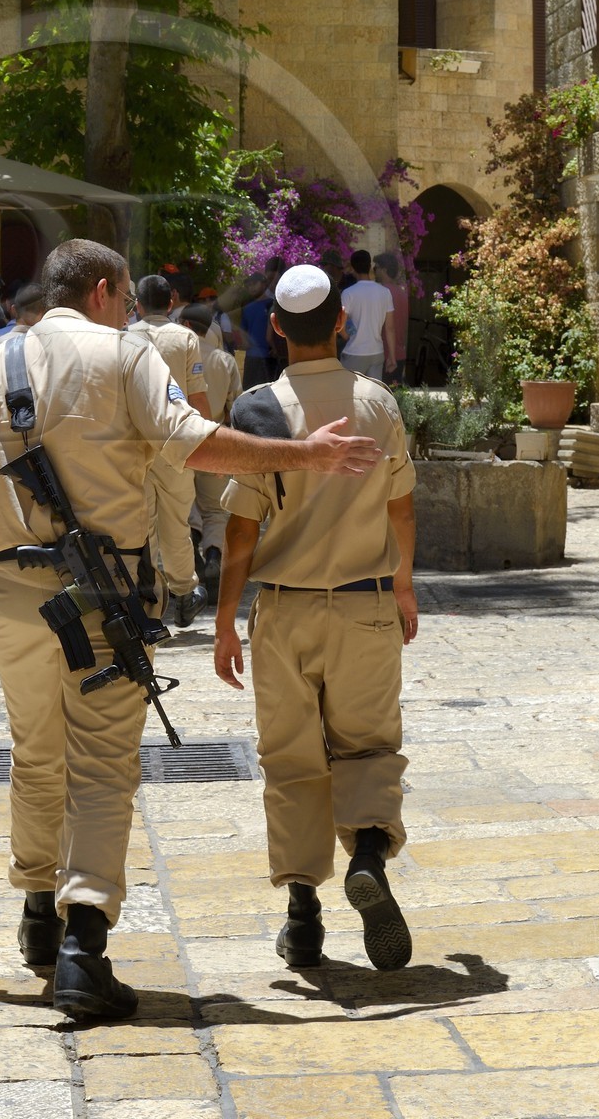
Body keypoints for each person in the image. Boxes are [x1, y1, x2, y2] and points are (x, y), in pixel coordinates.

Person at [0, 238, 382, 1021]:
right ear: (102, 290)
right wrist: (300, 455)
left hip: (11, 596)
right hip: (102, 599)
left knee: (35, 753)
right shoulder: (124, 357)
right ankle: (81, 949)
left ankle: (37, 911)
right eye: (126, 294)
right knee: (100, 767)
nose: (131, 307)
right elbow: (195, 443)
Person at [214, 265, 417, 974]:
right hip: (363, 602)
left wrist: (222, 622)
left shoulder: (257, 410)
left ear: (275, 327)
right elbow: (401, 506)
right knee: (368, 745)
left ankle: (303, 919)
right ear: (340, 323)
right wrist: (404, 588)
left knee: (292, 760)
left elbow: (240, 534)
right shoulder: (376, 403)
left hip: (284, 611)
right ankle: (367, 853)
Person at [133, 273, 211, 628]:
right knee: (177, 523)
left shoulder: (122, 338)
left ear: (136, 304)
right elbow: (197, 398)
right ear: (172, 301)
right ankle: (183, 592)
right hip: (177, 441)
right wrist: (207, 442)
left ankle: (149, 597)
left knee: (142, 525)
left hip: (134, 445)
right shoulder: (186, 339)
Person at [179, 302, 241, 593]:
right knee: (216, 510)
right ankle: (214, 555)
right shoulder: (224, 360)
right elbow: (236, 405)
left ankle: (191, 549)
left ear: (188, 326)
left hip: (178, 441)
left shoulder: (175, 356)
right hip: (215, 438)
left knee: (183, 505)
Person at [340, 250, 395, 382]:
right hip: (376, 352)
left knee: (351, 397)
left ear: (352, 268)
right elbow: (390, 328)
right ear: (370, 266)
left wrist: (348, 336)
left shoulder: (348, 293)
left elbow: (340, 325)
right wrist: (392, 357)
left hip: (354, 352)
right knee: (374, 396)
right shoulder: (385, 292)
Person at [374, 252, 409, 385]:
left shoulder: (380, 293)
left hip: (384, 354)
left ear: (384, 270)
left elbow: (387, 327)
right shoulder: (402, 294)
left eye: (376, 267)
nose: (374, 271)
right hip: (399, 353)